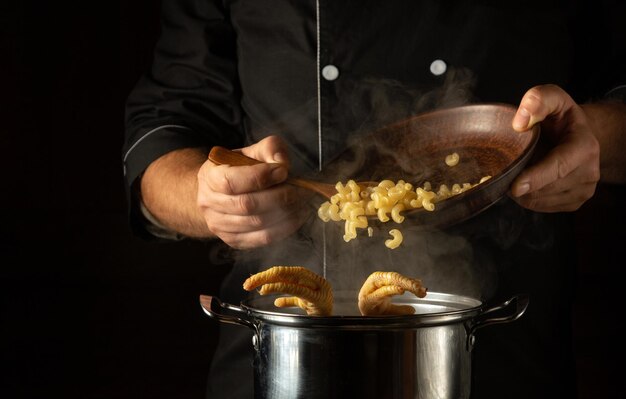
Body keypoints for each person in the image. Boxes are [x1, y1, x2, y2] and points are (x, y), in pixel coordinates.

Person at [122, 1, 626, 398]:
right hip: (282, 355)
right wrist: (204, 193)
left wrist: (596, 137)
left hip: (500, 347)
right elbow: (165, 127)